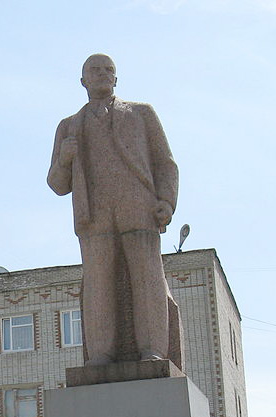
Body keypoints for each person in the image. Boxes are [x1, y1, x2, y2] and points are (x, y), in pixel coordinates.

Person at [47, 53, 182, 366]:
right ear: (83, 81)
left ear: (116, 79)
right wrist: (65, 158)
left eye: (109, 70)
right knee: (98, 286)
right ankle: (100, 355)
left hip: (139, 208)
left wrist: (167, 200)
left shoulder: (141, 114)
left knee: (148, 280)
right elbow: (56, 184)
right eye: (95, 70)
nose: (103, 74)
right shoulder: (68, 126)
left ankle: (153, 351)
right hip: (94, 217)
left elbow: (165, 162)